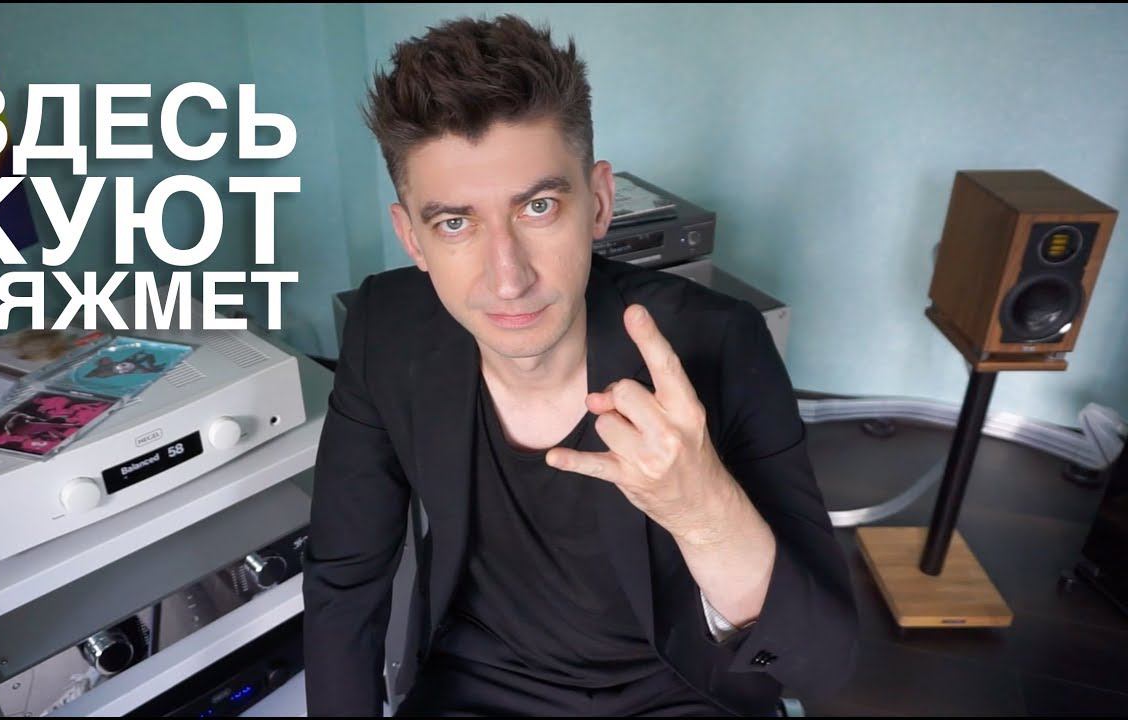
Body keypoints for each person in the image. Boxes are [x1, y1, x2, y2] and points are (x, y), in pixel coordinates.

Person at [303, 14, 858, 717]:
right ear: (411, 236)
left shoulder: (721, 341)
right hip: (478, 688)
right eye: (455, 223)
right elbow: (344, 584)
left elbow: (822, 663)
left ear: (597, 203)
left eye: (538, 207)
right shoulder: (385, 330)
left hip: (680, 689)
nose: (508, 279)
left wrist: (703, 513)